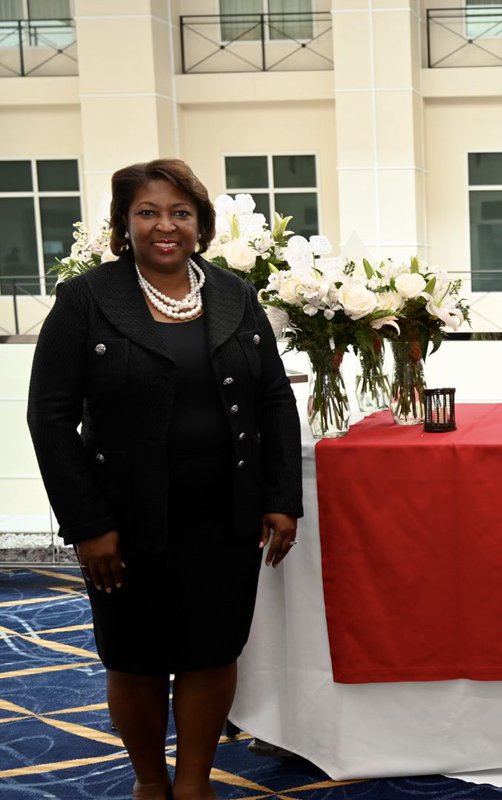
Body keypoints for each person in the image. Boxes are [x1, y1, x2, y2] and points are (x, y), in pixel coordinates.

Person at [27, 159, 303, 800]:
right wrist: (90, 525)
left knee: (212, 651)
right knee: (136, 658)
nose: (164, 225)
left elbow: (272, 403)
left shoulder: (234, 294)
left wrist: (280, 499)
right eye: (147, 212)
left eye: (180, 212)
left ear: (200, 224)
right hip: (125, 522)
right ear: (125, 225)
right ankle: (151, 783)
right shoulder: (88, 299)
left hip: (224, 515)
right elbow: (50, 416)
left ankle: (195, 783)